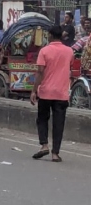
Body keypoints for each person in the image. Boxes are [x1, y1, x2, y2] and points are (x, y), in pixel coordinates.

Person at [31, 25, 74, 162]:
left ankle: (44, 145)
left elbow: (40, 72)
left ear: (50, 35)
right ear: (61, 35)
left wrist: (33, 90)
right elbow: (69, 67)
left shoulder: (44, 51)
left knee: (42, 119)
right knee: (59, 123)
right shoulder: (69, 51)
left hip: (45, 92)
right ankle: (55, 153)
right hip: (61, 93)